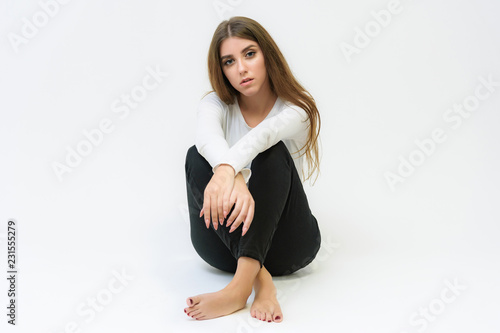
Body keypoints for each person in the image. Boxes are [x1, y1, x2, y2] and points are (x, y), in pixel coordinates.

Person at [183, 16, 322, 323]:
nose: (241, 69)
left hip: (288, 245)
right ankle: (259, 281)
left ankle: (238, 288)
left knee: (272, 152)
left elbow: (265, 135)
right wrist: (231, 175)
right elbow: (206, 138)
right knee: (196, 156)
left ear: (267, 55)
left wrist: (231, 173)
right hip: (225, 244)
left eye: (249, 54)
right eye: (229, 61)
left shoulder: (297, 108)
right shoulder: (215, 105)